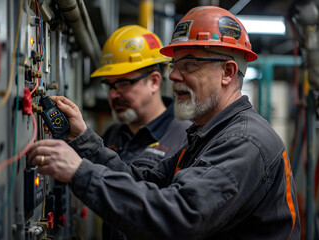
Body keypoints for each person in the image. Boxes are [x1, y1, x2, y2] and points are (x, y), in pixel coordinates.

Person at [28, 6, 301, 240]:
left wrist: (79, 172)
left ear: (227, 72)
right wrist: (83, 141)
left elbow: (180, 216)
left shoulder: (244, 140)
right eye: (174, 64)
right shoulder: (206, 135)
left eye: (189, 64)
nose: (174, 76)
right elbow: (146, 183)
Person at [91, 25, 191, 239]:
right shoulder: (113, 135)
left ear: (154, 81)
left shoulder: (186, 137)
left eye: (123, 83)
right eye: (109, 86)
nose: (114, 95)